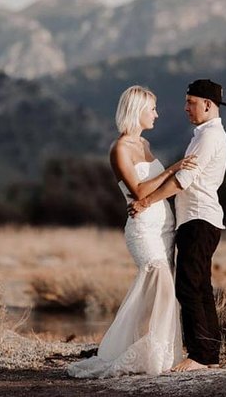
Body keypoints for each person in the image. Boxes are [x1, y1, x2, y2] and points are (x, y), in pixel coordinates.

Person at [67, 85, 197, 378]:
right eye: (152, 109)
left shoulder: (145, 146)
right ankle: (143, 353)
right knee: (160, 284)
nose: (157, 114)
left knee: (162, 294)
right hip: (142, 229)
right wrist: (172, 169)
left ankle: (158, 352)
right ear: (136, 111)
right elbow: (138, 191)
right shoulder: (120, 148)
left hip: (164, 226)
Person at [128, 79, 226, 372]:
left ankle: (200, 355)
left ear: (207, 105)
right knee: (200, 287)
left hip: (199, 219)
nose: (185, 108)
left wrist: (146, 202)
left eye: (190, 102)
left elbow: (181, 181)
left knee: (188, 287)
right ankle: (209, 353)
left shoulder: (208, 137)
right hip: (200, 219)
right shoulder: (206, 134)